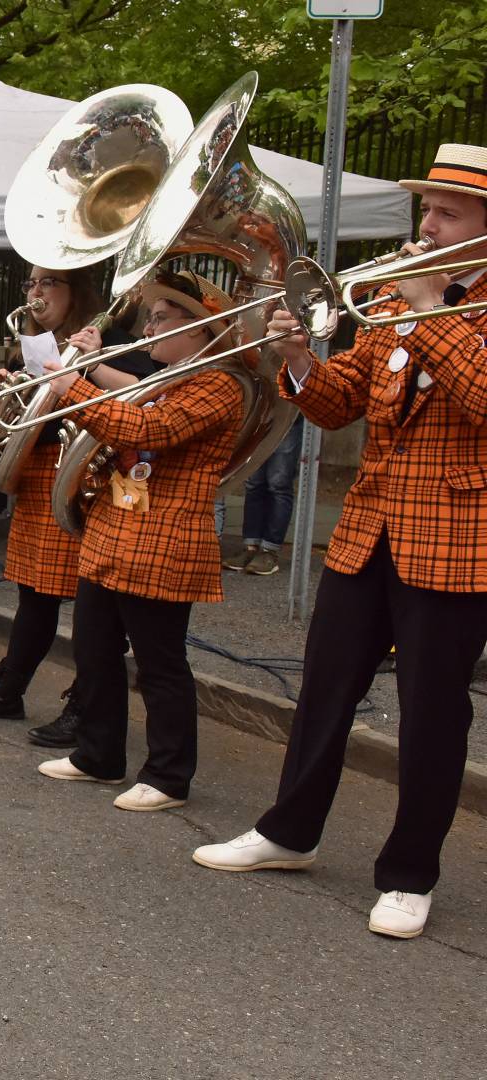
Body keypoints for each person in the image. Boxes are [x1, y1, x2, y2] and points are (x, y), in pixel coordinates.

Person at [192, 145, 487, 941]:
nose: (428, 224)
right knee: (324, 688)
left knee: (432, 713)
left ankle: (410, 872)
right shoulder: (393, 298)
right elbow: (336, 404)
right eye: (426, 209)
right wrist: (296, 358)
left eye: (448, 213)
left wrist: (433, 308)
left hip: (456, 541)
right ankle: (290, 831)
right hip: (368, 532)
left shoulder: (435, 302)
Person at [33, 270, 245, 813]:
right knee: (94, 649)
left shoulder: (218, 384)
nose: (149, 328)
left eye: (160, 319)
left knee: (160, 663)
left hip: (165, 538)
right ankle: (98, 755)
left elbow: (147, 431)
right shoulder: (168, 378)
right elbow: (129, 403)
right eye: (150, 317)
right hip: (114, 530)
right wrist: (89, 366)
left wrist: (73, 387)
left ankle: (169, 775)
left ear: (198, 329)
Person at [0, 265, 158, 749]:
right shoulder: (35, 344)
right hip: (43, 478)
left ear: (76, 291)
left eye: (48, 283)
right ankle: (8, 688)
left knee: (94, 610)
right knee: (34, 595)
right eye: (31, 284)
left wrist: (89, 362)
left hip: (90, 482)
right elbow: (21, 421)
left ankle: (84, 706)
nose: (35, 293)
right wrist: (8, 393)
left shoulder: (115, 338)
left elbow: (146, 391)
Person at [223, 420, 303, 574]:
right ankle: (251, 547)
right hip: (265, 415)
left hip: (290, 415)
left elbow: (299, 394)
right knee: (253, 481)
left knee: (278, 483)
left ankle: (269, 551)